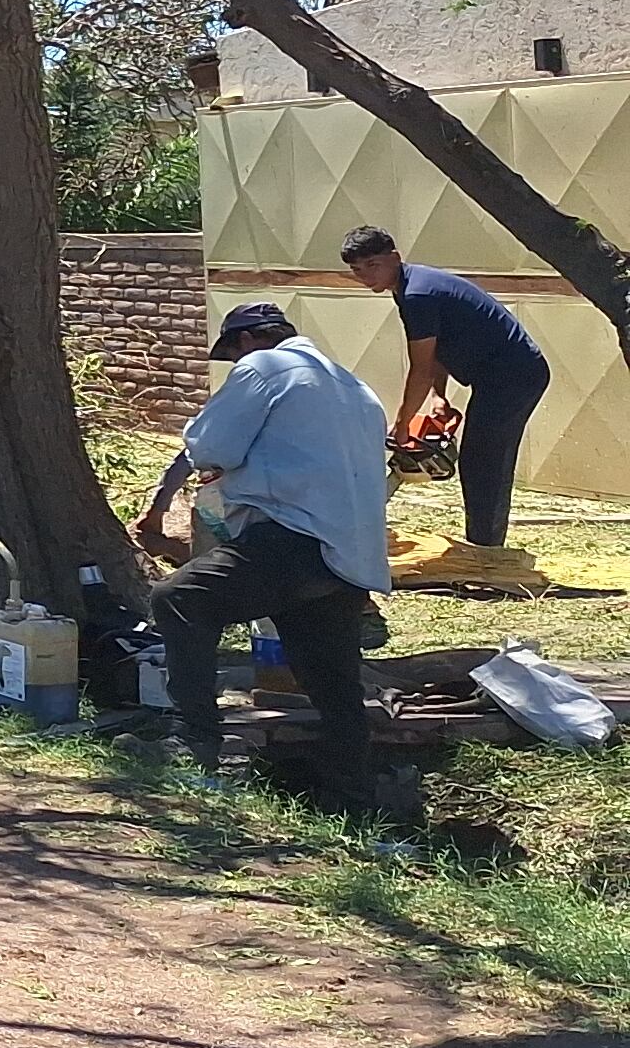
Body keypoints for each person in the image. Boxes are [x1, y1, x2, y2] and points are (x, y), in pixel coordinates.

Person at [133, 302, 392, 813]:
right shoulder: (355, 387)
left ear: (249, 340)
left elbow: (210, 447)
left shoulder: (264, 368)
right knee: (332, 679)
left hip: (291, 536)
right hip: (347, 555)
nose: (234, 364)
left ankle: (192, 740)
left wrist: (168, 499)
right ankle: (354, 797)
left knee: (179, 598)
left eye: (232, 354)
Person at [340, 225, 547, 553]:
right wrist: (438, 396)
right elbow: (435, 351)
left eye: (372, 265)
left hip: (514, 375)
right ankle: (484, 542)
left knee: (483, 460)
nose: (365, 276)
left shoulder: (417, 294)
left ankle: (485, 552)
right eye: (357, 270)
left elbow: (420, 370)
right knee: (481, 458)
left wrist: (404, 424)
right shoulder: (408, 286)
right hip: (497, 376)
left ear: (394, 257)